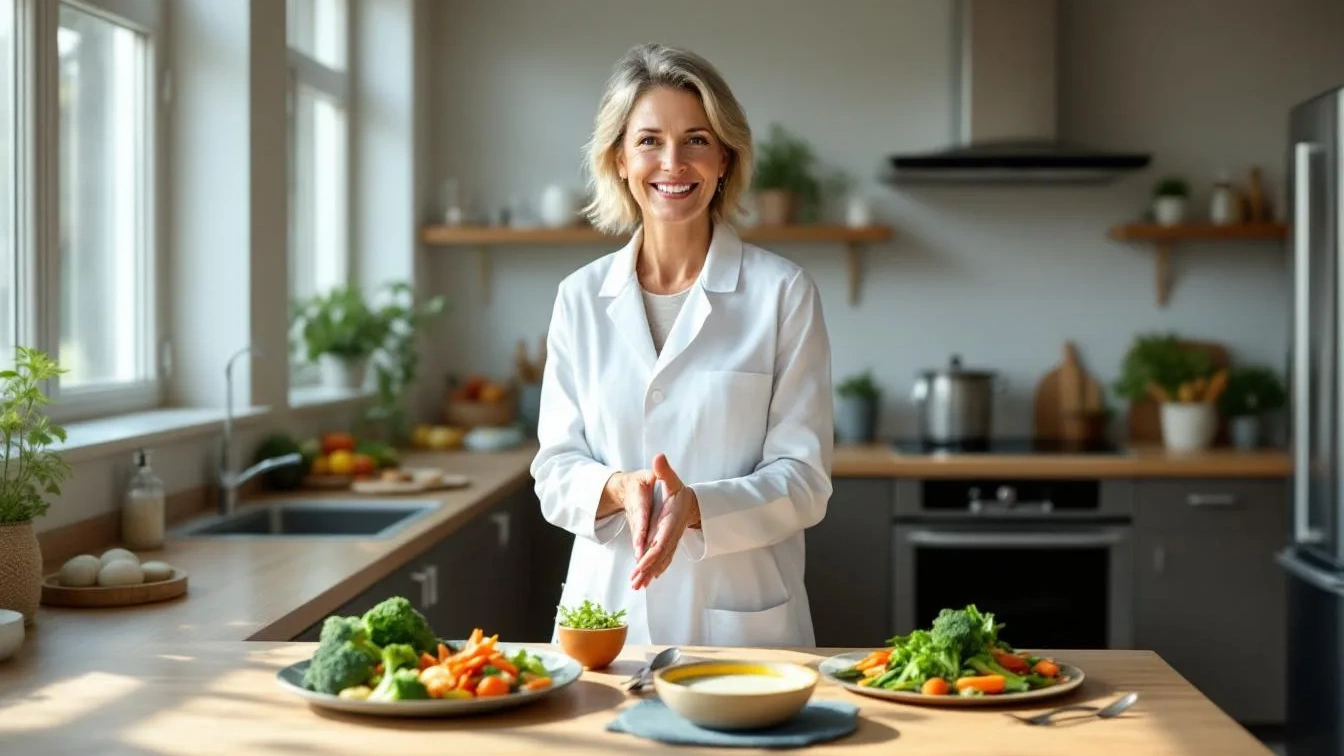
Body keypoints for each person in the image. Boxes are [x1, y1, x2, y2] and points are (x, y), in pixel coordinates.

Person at [530, 43, 834, 648]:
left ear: (724, 158)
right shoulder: (580, 297)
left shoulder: (783, 293)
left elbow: (804, 481)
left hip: (742, 629)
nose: (674, 163)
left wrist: (699, 508)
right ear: (618, 159)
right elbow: (555, 469)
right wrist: (616, 489)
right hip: (607, 619)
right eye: (649, 141)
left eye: (696, 139)